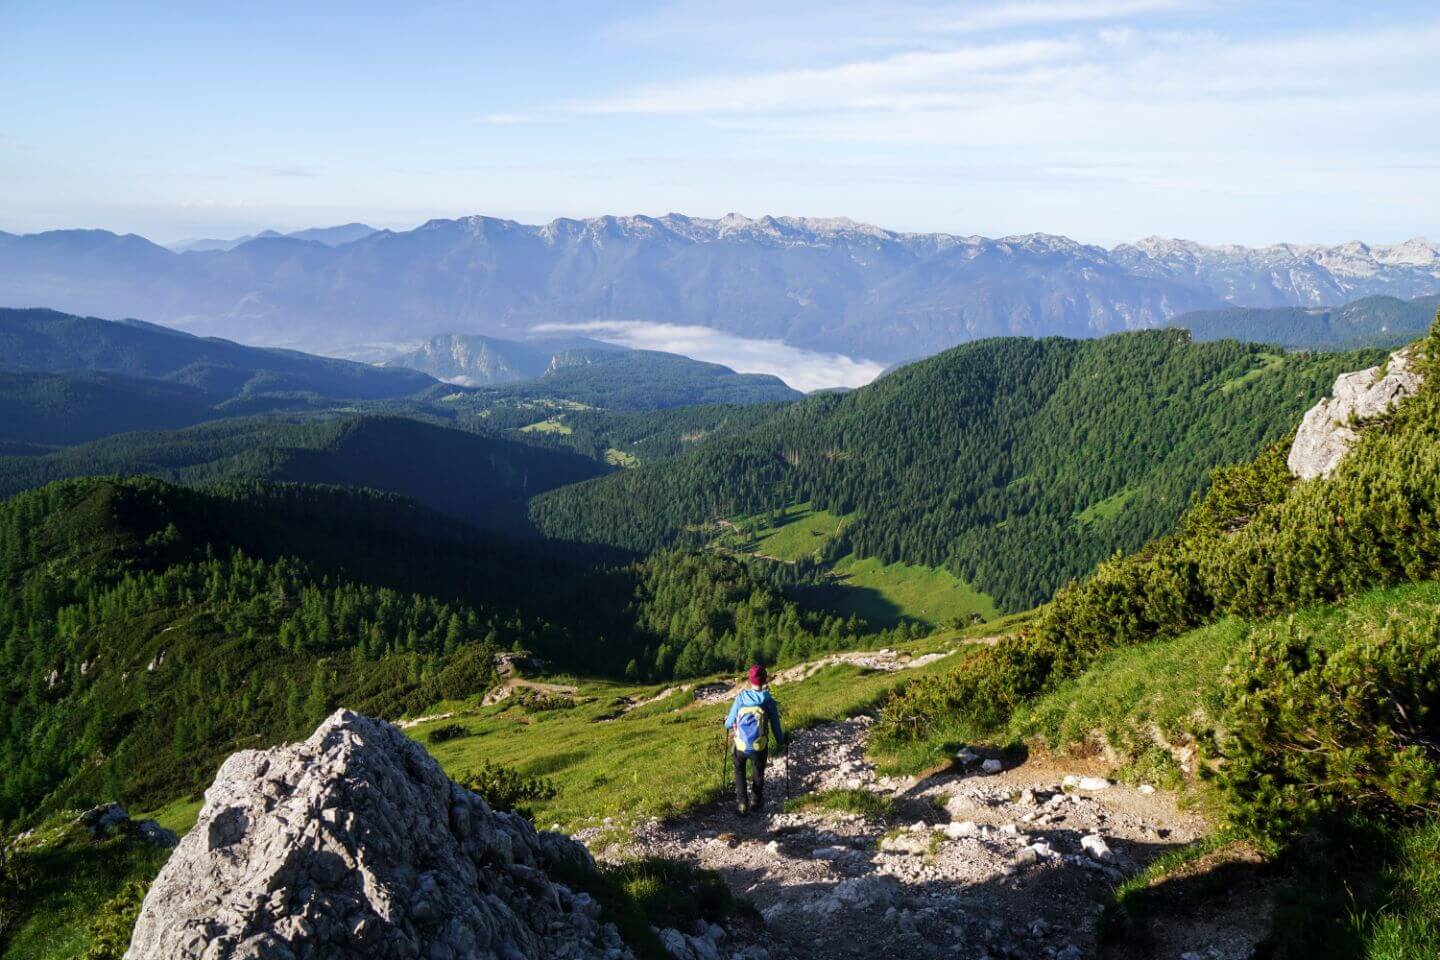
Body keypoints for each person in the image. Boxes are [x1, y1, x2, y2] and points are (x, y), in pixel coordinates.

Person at [723, 664, 784, 816]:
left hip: (741, 745)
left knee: (739, 771)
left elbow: (729, 723)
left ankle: (742, 803)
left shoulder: (741, 697)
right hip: (759, 746)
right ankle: (756, 801)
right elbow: (776, 725)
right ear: (764, 680)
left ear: (749, 680)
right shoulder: (768, 699)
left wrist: (727, 721)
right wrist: (781, 741)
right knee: (758, 772)